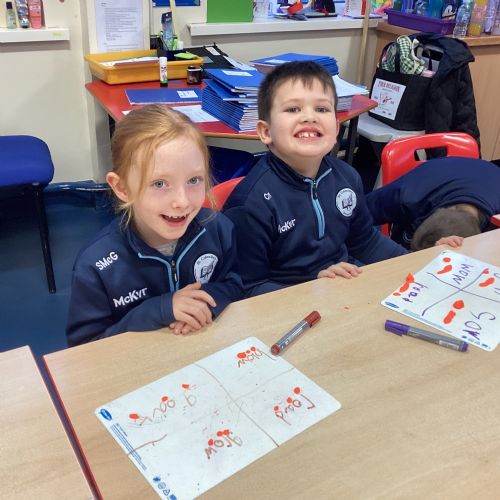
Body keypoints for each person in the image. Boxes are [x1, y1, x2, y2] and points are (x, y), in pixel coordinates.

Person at [222, 61, 409, 297]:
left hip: (341, 286)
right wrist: (313, 290)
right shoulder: (251, 204)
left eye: (321, 109)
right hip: (286, 302)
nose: (309, 117)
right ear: (266, 132)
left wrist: (419, 262)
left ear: (336, 129)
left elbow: (365, 241)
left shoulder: (347, 177)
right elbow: (249, 287)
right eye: (293, 109)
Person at [66, 105, 243, 346]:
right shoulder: (96, 265)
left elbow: (235, 284)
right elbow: (85, 347)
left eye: (194, 180)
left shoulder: (219, 229)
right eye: (159, 184)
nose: (182, 202)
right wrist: (160, 309)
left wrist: (204, 303)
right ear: (122, 188)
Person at [366, 156, 500, 251]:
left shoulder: (495, 218)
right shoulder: (406, 196)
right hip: (432, 176)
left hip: (483, 173)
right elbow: (357, 212)